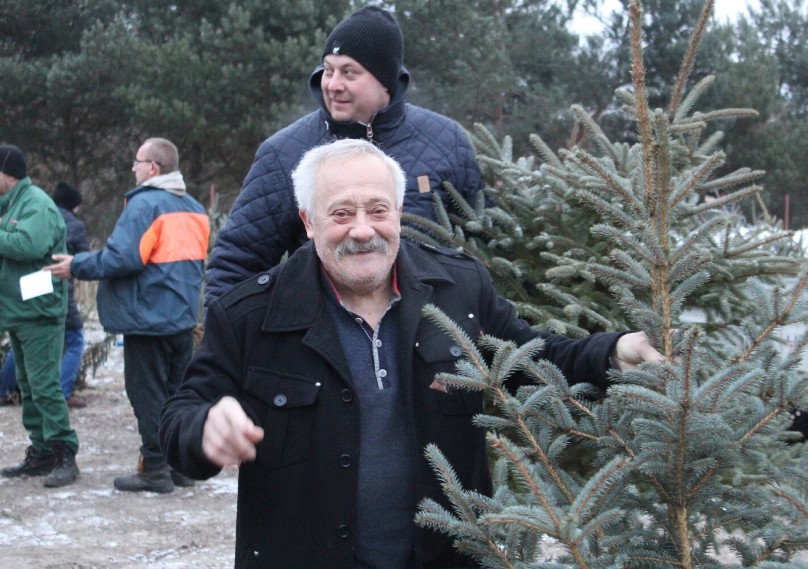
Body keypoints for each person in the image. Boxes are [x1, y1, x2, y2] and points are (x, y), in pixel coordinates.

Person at [160, 139, 664, 568]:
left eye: (378, 210)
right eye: (341, 214)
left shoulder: (458, 289)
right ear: (308, 222)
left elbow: (531, 358)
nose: (363, 229)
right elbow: (179, 418)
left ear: (399, 213)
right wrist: (204, 427)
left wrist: (612, 353)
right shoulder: (250, 315)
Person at [204, 5, 484, 306]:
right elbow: (236, 263)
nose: (333, 84)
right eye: (328, 69)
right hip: (322, 342)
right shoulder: (284, 152)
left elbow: (484, 243)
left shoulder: (446, 140)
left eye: (349, 72)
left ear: (385, 81)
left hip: (433, 336)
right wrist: (226, 347)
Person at [46, 138, 210, 494]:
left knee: (147, 396)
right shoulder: (196, 207)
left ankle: (154, 469)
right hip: (182, 318)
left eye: (136, 162)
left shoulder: (144, 206)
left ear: (153, 167)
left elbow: (122, 258)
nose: (132, 168)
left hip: (148, 318)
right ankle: (180, 468)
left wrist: (77, 265)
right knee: (176, 395)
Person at [0, 144, 80, 488]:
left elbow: (29, 246)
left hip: (40, 312)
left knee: (45, 386)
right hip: (19, 310)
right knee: (29, 385)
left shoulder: (36, 204)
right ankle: (42, 450)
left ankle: (65, 453)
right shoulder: (12, 204)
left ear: (7, 173)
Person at [0, 182, 90, 408]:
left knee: (20, 339)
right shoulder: (74, 225)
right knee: (75, 339)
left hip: (26, 286)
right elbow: (84, 261)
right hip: (56, 290)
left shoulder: (32, 211)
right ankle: (62, 392)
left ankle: (5, 389)